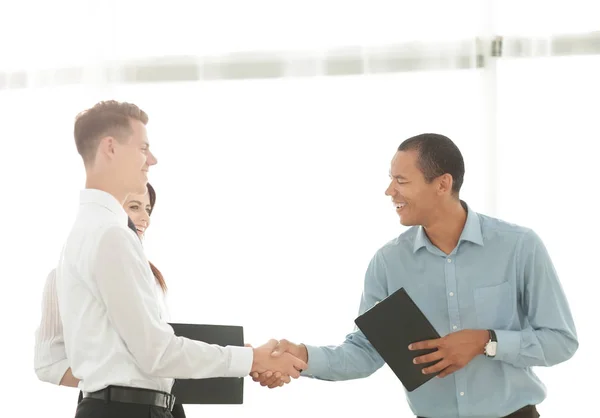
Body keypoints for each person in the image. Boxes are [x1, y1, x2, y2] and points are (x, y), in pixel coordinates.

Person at [252, 133, 578, 418]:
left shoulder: (519, 246)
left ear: (442, 184)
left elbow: (560, 341)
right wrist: (304, 356)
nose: (389, 191)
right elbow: (365, 352)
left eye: (401, 181)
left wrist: (486, 341)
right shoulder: (388, 263)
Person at [49, 100, 306, 418]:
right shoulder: (109, 235)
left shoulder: (86, 233)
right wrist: (253, 360)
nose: (152, 160)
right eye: (144, 148)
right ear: (111, 148)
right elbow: (156, 353)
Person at [34, 183, 187, 417]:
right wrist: (113, 376)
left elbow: (160, 352)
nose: (145, 217)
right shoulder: (63, 277)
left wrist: (231, 353)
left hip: (166, 406)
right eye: (134, 207)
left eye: (148, 209)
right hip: (111, 407)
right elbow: (47, 363)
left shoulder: (149, 277)